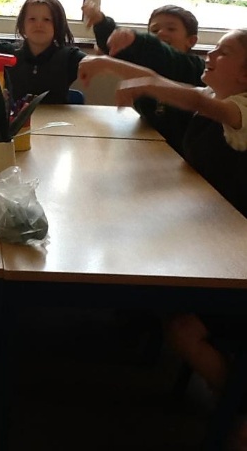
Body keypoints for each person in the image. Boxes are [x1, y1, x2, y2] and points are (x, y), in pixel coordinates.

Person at [93, 29, 247, 443]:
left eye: (223, 52)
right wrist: (109, 64)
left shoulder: (240, 108)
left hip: (234, 257)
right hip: (208, 231)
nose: (210, 53)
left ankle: (236, 404)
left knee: (181, 325)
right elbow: (165, 81)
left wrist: (145, 84)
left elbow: (194, 102)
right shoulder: (215, 93)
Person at [81, 1, 205, 155]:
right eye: (154, 30)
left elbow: (161, 53)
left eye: (171, 29)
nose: (161, 33)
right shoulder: (146, 61)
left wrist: (137, 39)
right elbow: (118, 48)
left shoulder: (193, 66)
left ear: (191, 40)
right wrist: (101, 23)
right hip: (149, 141)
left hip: (183, 152)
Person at [0, 0, 86, 104]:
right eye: (32, 19)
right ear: (22, 25)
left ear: (58, 25)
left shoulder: (68, 56)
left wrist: (96, 60)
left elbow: (90, 62)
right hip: (17, 120)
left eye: (47, 20)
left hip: (55, 120)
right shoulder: (8, 51)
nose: (39, 24)